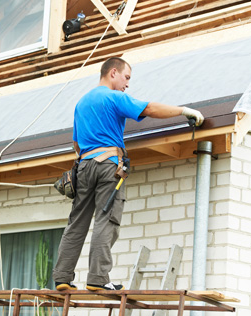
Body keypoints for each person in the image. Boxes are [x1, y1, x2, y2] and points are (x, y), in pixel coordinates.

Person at [52, 57, 204, 291]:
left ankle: (62, 279)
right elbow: (149, 108)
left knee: (77, 222)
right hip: (108, 166)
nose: (127, 84)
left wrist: (87, 161)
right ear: (113, 72)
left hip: (83, 166)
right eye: (127, 77)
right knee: (107, 219)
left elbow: (75, 142)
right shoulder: (114, 97)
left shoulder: (81, 103)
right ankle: (97, 279)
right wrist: (185, 111)